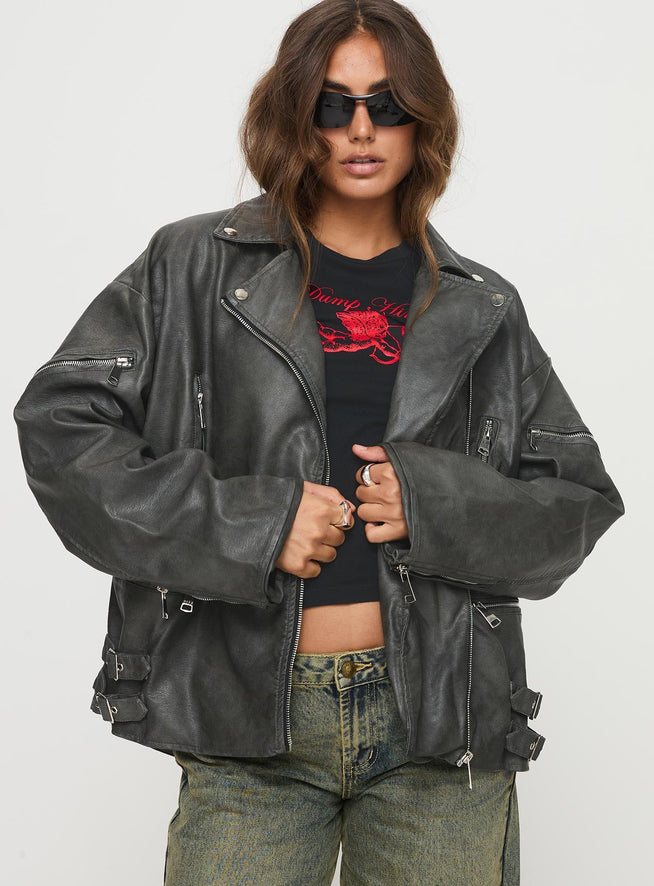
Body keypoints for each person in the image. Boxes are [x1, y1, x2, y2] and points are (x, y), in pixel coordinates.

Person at [14, 1, 624, 883]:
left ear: (424, 120)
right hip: (244, 725)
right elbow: (61, 431)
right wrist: (253, 525)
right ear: (296, 116)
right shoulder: (193, 265)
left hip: (440, 728)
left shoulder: (482, 305)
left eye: (390, 104)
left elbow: (576, 505)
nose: (362, 129)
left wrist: (433, 504)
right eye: (334, 105)